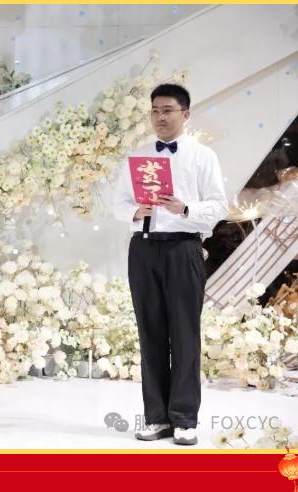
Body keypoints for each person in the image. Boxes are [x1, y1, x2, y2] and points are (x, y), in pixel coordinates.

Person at [112, 84, 228, 445]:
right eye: (155, 111)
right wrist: (136, 211)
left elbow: (219, 206)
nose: (160, 117)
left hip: (184, 248)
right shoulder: (138, 156)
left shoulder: (203, 156)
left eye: (167, 110)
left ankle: (184, 419)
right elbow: (117, 204)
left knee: (184, 334)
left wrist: (185, 208)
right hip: (143, 248)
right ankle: (156, 418)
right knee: (150, 333)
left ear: (185, 114)